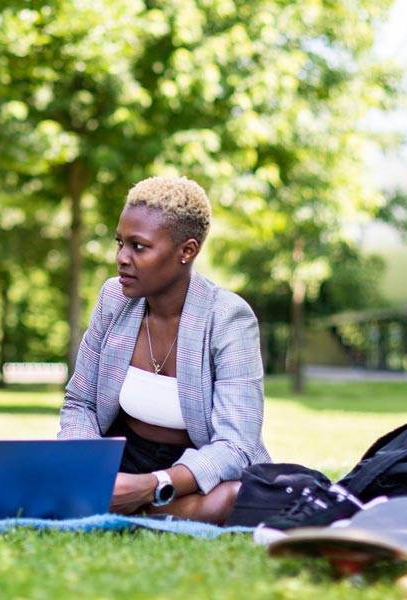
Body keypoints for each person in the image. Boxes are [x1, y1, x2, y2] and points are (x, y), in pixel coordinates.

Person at [59, 175, 271, 524]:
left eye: (139, 247)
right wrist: (88, 466)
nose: (121, 258)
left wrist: (151, 485)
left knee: (229, 499)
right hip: (118, 463)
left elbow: (236, 445)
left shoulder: (227, 318)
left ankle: (103, 506)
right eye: (120, 243)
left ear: (187, 251)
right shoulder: (114, 299)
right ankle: (113, 504)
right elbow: (81, 403)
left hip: (190, 476)